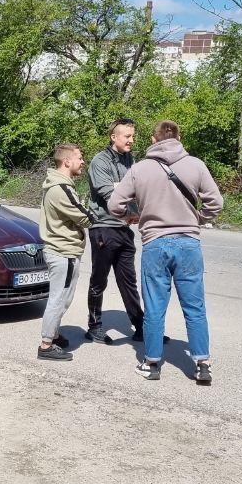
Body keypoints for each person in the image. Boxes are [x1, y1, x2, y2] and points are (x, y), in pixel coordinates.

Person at [108, 120, 222, 385]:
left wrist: (131, 215)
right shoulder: (196, 165)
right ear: (179, 137)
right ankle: (202, 365)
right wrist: (198, 219)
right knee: (195, 307)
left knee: (155, 307)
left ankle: (151, 363)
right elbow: (216, 203)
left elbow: (114, 204)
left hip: (156, 243)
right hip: (188, 244)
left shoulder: (140, 169)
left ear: (153, 139)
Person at [85, 117, 145, 344]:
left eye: (133, 136)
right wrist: (124, 189)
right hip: (103, 228)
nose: (131, 140)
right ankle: (94, 326)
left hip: (124, 228)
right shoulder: (100, 161)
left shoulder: (131, 160)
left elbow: (135, 191)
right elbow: (109, 194)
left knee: (128, 280)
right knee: (99, 280)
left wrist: (128, 197)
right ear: (114, 137)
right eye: (127, 136)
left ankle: (141, 326)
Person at [37, 144, 91, 361]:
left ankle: (54, 334)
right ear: (67, 161)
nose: (83, 161)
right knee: (59, 299)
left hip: (62, 250)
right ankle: (46, 345)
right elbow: (85, 217)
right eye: (80, 157)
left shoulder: (58, 185)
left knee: (63, 297)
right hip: (63, 252)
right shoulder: (62, 189)